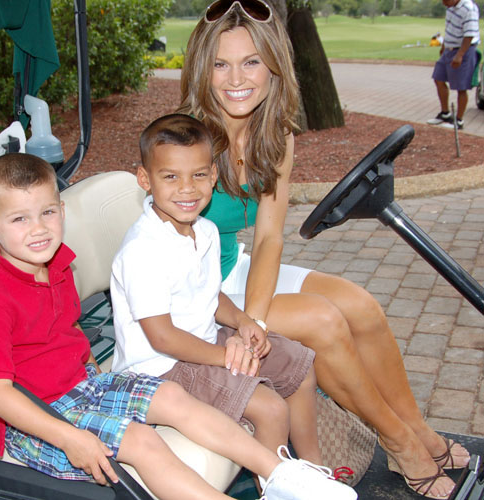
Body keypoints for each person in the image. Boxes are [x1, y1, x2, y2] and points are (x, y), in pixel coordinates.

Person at [177, 0, 471, 498]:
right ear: (202, 70)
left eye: (251, 62)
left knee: (360, 305)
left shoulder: (275, 135)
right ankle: (399, 444)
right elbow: (172, 263)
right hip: (190, 290)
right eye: (220, 64)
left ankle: (418, 429)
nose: (235, 79)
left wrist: (259, 320)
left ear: (274, 66)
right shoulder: (186, 138)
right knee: (323, 320)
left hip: (233, 268)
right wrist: (247, 320)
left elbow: (269, 236)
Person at [0, 152, 356, 500]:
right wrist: (69, 437)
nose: (39, 229)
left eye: (47, 213)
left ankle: (284, 475)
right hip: (40, 419)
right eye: (19, 219)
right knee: (144, 442)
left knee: (172, 397)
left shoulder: (56, 264)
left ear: (62, 212)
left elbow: (64, 331)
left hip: (84, 387)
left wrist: (94, 370)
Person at [110, 114, 353, 497]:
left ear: (213, 176)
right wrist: (224, 355)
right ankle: (276, 489)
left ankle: (313, 474)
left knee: (301, 364)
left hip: (203, 340)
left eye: (200, 175)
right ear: (145, 179)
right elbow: (162, 337)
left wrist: (243, 323)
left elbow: (210, 295)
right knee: (271, 409)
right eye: (170, 177)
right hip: (159, 368)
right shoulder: (143, 250)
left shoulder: (203, 230)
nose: (187, 189)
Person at [426, 0, 480, 130]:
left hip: (464, 50)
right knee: (438, 79)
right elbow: (449, 29)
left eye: (445, 0)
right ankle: (445, 113)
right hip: (449, 49)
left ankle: (459, 121)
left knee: (461, 87)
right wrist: (444, 46)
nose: (443, 3)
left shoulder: (469, 9)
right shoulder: (450, 8)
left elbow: (469, 35)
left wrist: (460, 55)